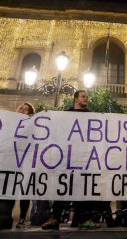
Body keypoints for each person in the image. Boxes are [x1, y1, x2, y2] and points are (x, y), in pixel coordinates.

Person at [41, 90, 114, 230]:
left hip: (83, 157)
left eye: (87, 97)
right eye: (83, 96)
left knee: (82, 187)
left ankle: (83, 220)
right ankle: (54, 218)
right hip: (67, 157)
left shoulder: (90, 114)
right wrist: (47, 115)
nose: (86, 98)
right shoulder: (65, 114)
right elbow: (55, 128)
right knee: (61, 187)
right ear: (76, 98)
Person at [15, 102, 36, 228]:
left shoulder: (32, 124)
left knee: (24, 188)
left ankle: (22, 217)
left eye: (26, 109)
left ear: (30, 112)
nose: (22, 111)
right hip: (12, 157)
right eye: (21, 109)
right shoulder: (10, 122)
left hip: (26, 158)